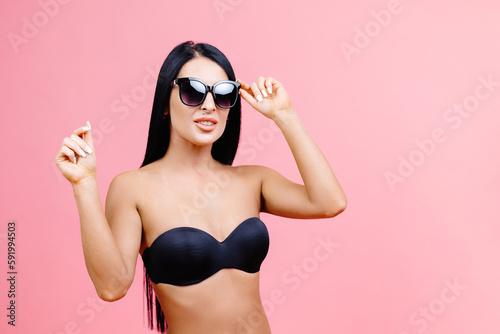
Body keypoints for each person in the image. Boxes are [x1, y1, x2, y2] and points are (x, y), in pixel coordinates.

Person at [55, 41, 347, 334]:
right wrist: (84, 185)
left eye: (223, 94)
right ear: (165, 105)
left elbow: (329, 202)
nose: (209, 105)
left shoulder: (252, 180)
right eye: (192, 91)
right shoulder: (133, 188)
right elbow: (111, 286)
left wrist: (285, 115)